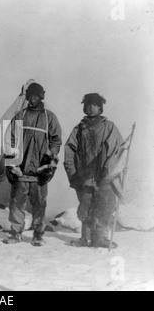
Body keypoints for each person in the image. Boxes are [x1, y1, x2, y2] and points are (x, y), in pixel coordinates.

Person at [3, 82, 62, 246]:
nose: (33, 99)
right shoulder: (20, 116)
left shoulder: (49, 117)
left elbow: (56, 141)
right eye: (30, 96)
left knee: (39, 204)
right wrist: (11, 164)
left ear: (41, 97)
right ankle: (16, 233)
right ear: (27, 97)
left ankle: (37, 234)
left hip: (39, 170)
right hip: (21, 169)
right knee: (16, 203)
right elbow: (9, 139)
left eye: (36, 96)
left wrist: (49, 163)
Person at [64, 93, 123, 249]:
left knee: (105, 206)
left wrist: (107, 172)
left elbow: (116, 150)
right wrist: (73, 174)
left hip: (104, 176)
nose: (91, 107)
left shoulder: (109, 127)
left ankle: (101, 238)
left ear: (100, 107)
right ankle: (85, 238)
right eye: (88, 104)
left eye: (94, 104)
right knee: (86, 206)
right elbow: (69, 152)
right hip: (84, 176)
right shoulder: (79, 129)